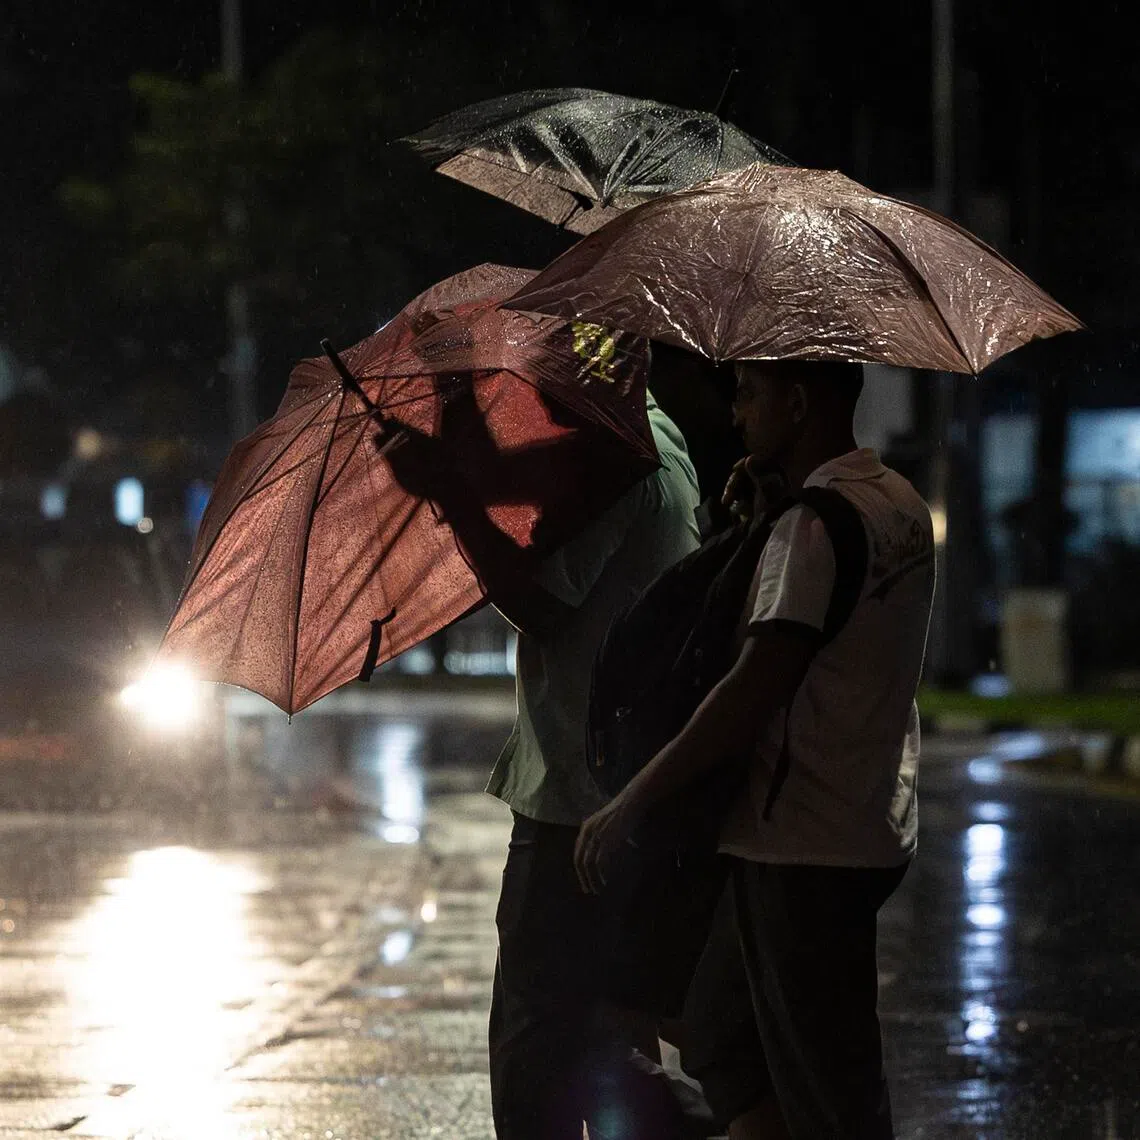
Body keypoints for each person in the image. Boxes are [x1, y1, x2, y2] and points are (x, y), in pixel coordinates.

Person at [575, 358, 936, 1139]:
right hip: (864, 817)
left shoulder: (813, 527)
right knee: (722, 1037)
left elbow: (751, 688)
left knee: (830, 1091)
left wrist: (635, 797)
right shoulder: (897, 504)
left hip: (801, 843)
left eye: (748, 394)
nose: (736, 413)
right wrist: (759, 523)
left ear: (796, 403)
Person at [385, 364, 705, 1138]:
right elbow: (506, 477)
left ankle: (705, 1114)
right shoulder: (650, 436)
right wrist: (455, 409)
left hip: (576, 802)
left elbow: (541, 602)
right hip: (622, 790)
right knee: (605, 1035)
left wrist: (450, 491)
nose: (531, 380)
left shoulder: (618, 460)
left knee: (536, 1054)